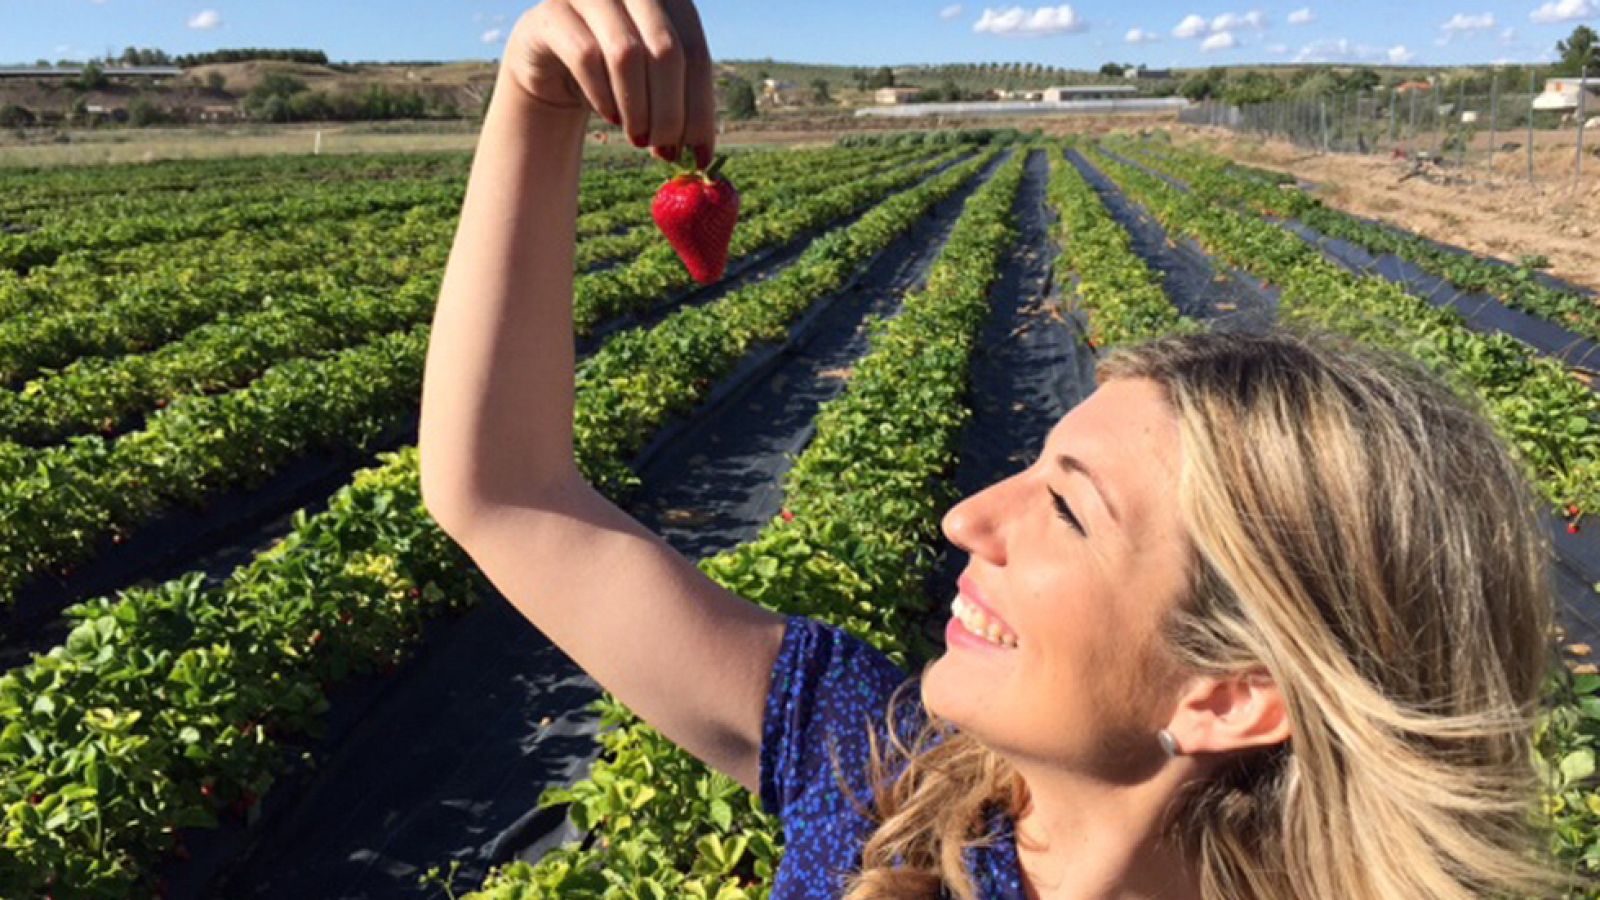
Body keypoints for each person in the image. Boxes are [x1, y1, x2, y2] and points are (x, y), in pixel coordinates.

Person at [416, 2, 1580, 896]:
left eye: (1067, 509)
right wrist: (537, 97)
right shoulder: (881, 779)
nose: (967, 518)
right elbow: (507, 492)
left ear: (1230, 694)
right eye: (1031, 466)